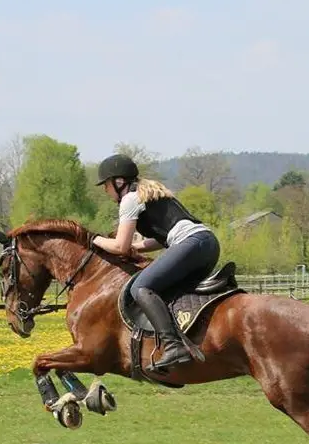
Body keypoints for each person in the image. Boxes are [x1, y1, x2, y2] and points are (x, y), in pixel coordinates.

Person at [91, 154, 221, 373]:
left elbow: (120, 247)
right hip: (207, 244)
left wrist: (93, 239)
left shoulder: (130, 200)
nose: (105, 190)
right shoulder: (151, 195)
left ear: (118, 182)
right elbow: (162, 239)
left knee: (140, 288)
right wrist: (138, 248)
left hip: (192, 244)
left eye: (106, 185)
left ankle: (173, 346)